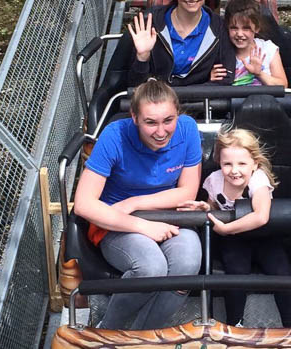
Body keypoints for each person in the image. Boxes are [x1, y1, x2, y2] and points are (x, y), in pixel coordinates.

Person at [73, 79, 203, 330]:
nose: (161, 132)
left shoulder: (187, 129)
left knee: (187, 264)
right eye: (150, 122)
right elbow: (84, 204)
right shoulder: (115, 136)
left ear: (177, 114)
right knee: (151, 267)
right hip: (118, 224)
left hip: (169, 217)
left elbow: (187, 191)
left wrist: (134, 203)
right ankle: (108, 331)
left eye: (168, 120)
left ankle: (141, 336)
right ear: (134, 117)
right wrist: (141, 225)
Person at [178, 129, 291, 328]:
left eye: (242, 164)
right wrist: (206, 208)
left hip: (262, 236)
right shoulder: (214, 180)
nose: (234, 171)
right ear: (219, 163)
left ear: (255, 164)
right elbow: (214, 206)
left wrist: (227, 229)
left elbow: (261, 216)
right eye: (227, 164)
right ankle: (235, 324)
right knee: (235, 273)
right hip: (234, 240)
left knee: (280, 271)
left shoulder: (258, 180)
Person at [126, 0, 235, 86]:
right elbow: (133, 84)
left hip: (200, 99)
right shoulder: (151, 25)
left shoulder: (219, 29)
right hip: (157, 97)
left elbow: (225, 79)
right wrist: (142, 58)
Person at [210, 0, 288, 87]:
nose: (239, 34)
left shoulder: (268, 49)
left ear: (257, 28)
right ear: (227, 27)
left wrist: (259, 73)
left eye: (246, 28)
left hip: (262, 96)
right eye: (234, 28)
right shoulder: (219, 50)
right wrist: (210, 79)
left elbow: (283, 85)